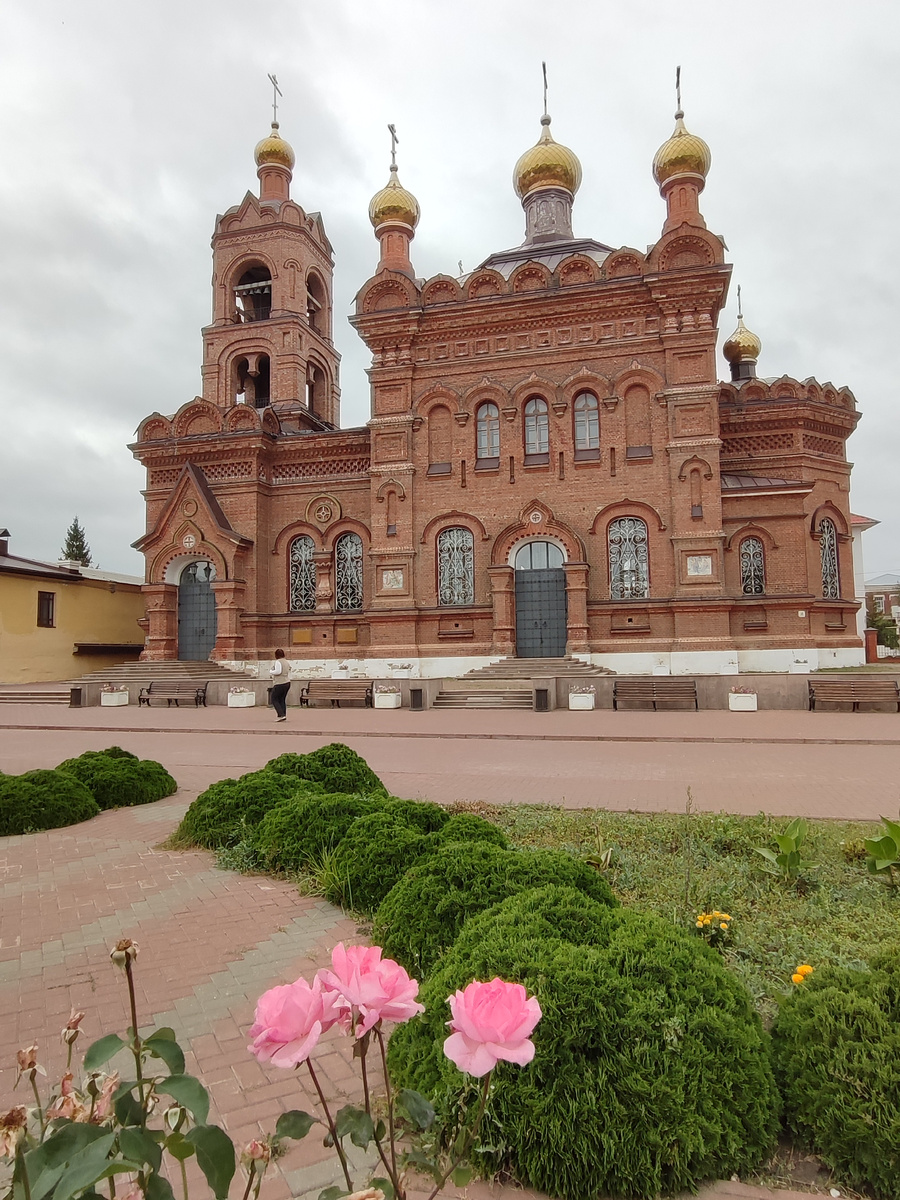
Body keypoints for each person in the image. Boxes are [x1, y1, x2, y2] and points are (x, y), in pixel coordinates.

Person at [269, 649, 290, 722]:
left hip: (280, 683)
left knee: (274, 699)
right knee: (282, 699)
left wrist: (271, 671)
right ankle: (283, 714)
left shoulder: (278, 662)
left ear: (276, 655)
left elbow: (278, 671)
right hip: (287, 682)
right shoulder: (286, 661)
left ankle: (280, 715)